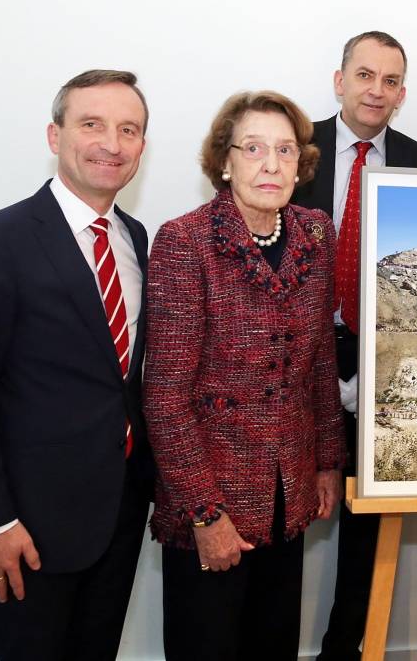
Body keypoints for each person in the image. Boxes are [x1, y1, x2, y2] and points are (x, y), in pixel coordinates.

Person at [0, 69, 154, 661]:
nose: (112, 142)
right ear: (55, 136)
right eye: (93, 124)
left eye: (128, 129)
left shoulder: (137, 239)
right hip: (28, 529)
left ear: (140, 148)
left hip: (119, 514)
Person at [144, 90, 346, 661]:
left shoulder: (314, 234)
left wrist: (328, 461)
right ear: (225, 160)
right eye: (253, 148)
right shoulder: (185, 242)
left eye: (285, 150)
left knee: (273, 645)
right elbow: (164, 398)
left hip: (289, 492)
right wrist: (206, 514)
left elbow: (319, 365)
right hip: (213, 500)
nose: (272, 164)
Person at [292, 31, 417, 661]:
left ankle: (343, 649)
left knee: (369, 530)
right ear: (339, 79)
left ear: (403, 92)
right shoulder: (293, 150)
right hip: (299, 366)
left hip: (384, 368)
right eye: (365, 75)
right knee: (285, 516)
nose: (377, 90)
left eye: (391, 80)